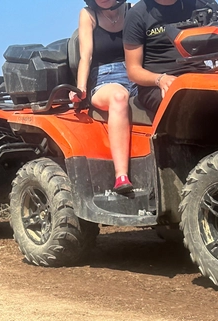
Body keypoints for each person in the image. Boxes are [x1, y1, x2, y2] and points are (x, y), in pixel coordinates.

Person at [71, 0, 137, 194]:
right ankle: (121, 175)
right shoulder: (88, 15)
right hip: (105, 78)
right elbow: (86, 56)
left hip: (136, 72)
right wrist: (80, 88)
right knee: (119, 97)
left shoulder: (133, 11)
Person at [124, 0, 218, 114]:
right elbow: (133, 71)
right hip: (157, 83)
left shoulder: (199, 3)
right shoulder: (137, 14)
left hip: (199, 73)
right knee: (190, 106)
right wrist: (160, 79)